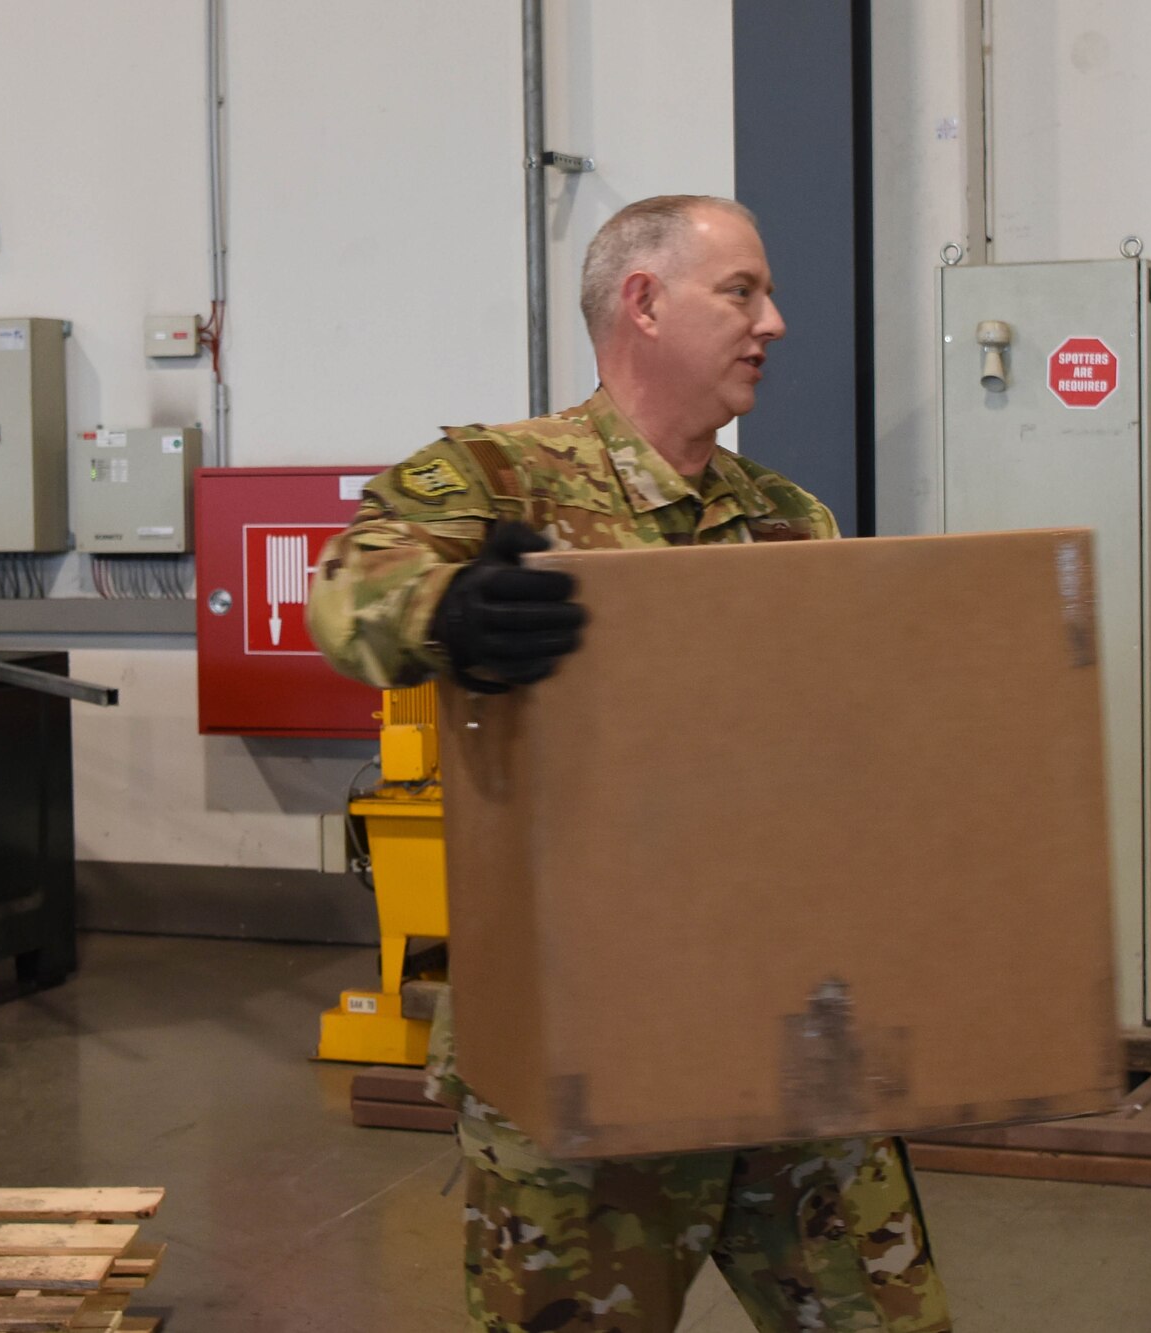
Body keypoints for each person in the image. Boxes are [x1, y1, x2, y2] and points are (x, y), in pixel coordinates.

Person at [307, 195, 952, 1333]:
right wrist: (448, 605)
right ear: (643, 303)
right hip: (581, 1044)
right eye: (741, 292)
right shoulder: (500, 479)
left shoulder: (787, 521)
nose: (776, 323)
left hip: (787, 1032)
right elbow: (348, 589)